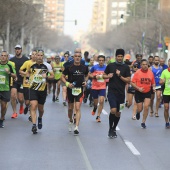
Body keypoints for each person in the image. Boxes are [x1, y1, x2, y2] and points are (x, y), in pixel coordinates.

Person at [103, 49, 131, 138]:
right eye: (118, 56)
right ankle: (110, 128)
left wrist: (120, 76)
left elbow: (128, 80)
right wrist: (108, 76)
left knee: (118, 113)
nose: (119, 58)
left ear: (123, 57)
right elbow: (103, 75)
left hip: (121, 93)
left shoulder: (126, 67)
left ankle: (114, 128)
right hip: (111, 92)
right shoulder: (111, 65)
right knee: (113, 110)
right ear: (116, 57)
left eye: (121, 56)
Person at [61, 48, 88, 135]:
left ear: (81, 58)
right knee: (70, 108)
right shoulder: (69, 67)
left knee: (77, 108)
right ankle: (70, 119)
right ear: (73, 57)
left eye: (79, 57)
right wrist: (67, 83)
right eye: (75, 56)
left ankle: (76, 127)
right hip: (70, 89)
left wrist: (85, 82)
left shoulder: (84, 67)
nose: (77, 58)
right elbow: (62, 76)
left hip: (79, 89)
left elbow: (87, 75)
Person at [26, 50, 54, 134]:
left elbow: (53, 76)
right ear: (35, 56)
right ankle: (34, 125)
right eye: (38, 55)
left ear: (43, 56)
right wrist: (27, 79)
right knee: (33, 106)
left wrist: (47, 76)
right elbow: (28, 72)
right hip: (33, 89)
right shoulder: (31, 65)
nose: (39, 57)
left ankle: (40, 118)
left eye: (41, 55)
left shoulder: (47, 66)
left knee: (40, 109)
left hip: (42, 90)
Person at [131, 59, 155, 129]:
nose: (145, 66)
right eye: (143, 65)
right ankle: (138, 112)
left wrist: (153, 87)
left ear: (148, 65)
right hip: (139, 92)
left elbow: (153, 83)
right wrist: (138, 88)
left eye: (146, 64)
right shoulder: (138, 72)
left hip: (147, 92)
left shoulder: (150, 73)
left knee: (146, 106)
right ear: (141, 65)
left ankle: (143, 122)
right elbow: (132, 83)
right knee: (140, 108)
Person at [10, 45, 29, 118]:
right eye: (16, 49)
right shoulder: (12, 60)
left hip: (22, 81)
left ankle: (21, 104)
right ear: (15, 50)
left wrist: (24, 74)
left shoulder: (25, 59)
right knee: (13, 96)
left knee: (20, 99)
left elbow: (28, 70)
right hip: (14, 81)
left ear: (21, 50)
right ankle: (14, 112)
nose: (17, 50)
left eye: (18, 49)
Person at [0, 51, 16, 128]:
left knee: (3, 106)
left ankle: (2, 119)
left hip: (6, 88)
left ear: (7, 57)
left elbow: (15, 75)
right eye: (2, 55)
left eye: (5, 56)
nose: (3, 57)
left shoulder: (10, 65)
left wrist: (9, 73)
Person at [89, 55, 106, 122]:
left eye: (102, 60)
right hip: (95, 87)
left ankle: (98, 116)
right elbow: (89, 74)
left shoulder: (106, 68)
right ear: (98, 61)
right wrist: (94, 76)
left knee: (101, 101)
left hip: (102, 86)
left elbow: (108, 75)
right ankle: (95, 108)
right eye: (100, 60)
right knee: (95, 103)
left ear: (104, 61)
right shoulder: (94, 67)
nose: (101, 62)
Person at [19, 50, 37, 116]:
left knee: (33, 101)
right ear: (31, 55)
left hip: (35, 85)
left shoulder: (39, 64)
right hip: (26, 84)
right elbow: (20, 70)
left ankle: (30, 115)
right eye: (33, 54)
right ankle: (27, 106)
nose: (34, 55)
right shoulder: (27, 62)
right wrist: (25, 73)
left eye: (35, 54)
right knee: (27, 102)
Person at [159, 59, 170, 128]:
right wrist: (162, 81)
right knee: (166, 108)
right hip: (166, 92)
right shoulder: (164, 72)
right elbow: (160, 82)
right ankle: (167, 122)